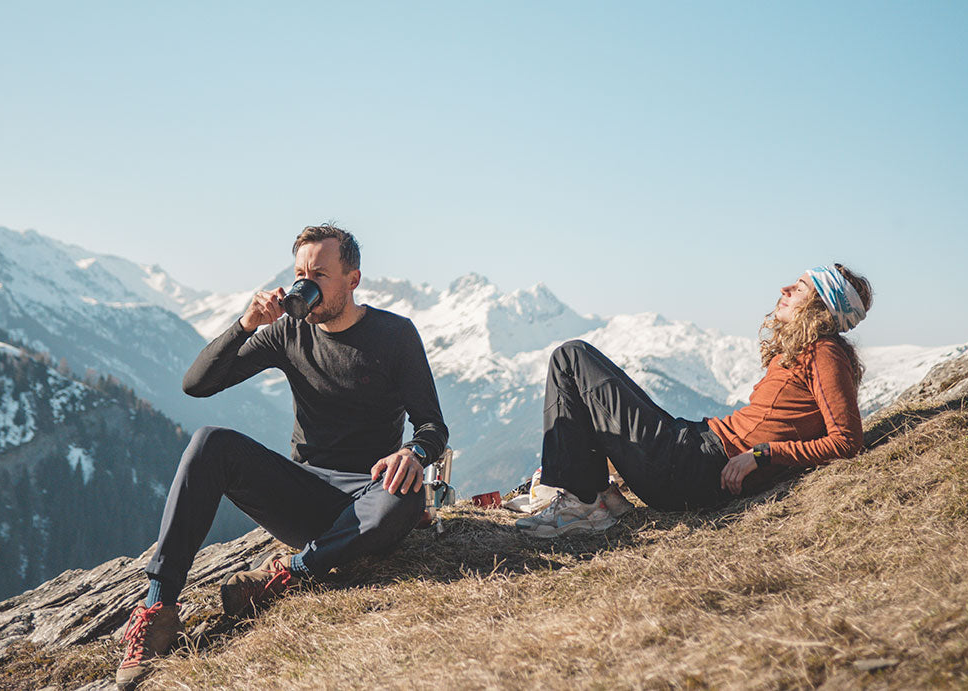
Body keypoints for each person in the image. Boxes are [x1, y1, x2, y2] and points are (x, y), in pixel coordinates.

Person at [115, 224, 448, 688]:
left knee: (406, 501)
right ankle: (158, 606)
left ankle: (290, 573)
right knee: (210, 442)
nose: (304, 286)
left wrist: (413, 452)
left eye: (319, 275)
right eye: (299, 273)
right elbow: (197, 385)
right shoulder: (287, 332)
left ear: (352, 280)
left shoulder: (394, 335)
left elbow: (433, 424)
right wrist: (245, 324)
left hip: (371, 490)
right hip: (304, 492)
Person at [517, 264, 872, 537]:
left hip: (694, 467)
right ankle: (590, 496)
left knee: (571, 357)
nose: (786, 289)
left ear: (820, 306)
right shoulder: (807, 350)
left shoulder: (825, 352)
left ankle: (582, 503)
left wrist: (762, 455)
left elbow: (846, 440)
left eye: (801, 288)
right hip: (692, 446)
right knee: (585, 380)